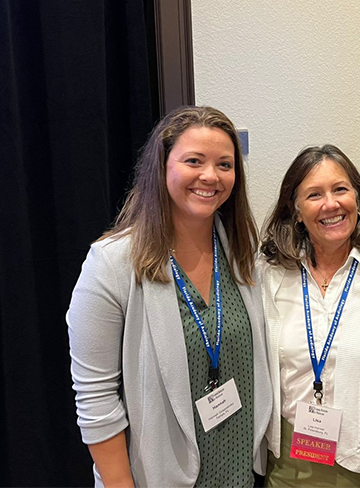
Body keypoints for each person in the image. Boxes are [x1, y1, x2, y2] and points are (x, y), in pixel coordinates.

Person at [66, 106, 272, 487]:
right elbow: (96, 402)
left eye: (225, 164)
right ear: (161, 167)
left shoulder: (241, 255)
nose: (210, 175)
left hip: (241, 472)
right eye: (194, 161)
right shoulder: (112, 264)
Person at [258, 145, 360, 487]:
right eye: (314, 194)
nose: (331, 204)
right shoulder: (269, 275)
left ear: (357, 199)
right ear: (296, 210)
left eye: (340, 189)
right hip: (288, 462)